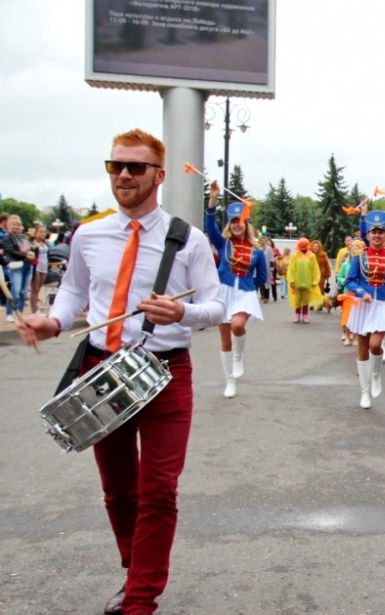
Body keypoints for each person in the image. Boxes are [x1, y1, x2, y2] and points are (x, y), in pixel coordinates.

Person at [16, 128, 223, 615]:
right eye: (116, 166)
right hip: (101, 372)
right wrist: (53, 321)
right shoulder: (88, 234)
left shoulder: (186, 239)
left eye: (135, 167)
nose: (124, 174)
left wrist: (183, 315)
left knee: (159, 489)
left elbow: (216, 305)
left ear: (159, 175)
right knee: (118, 488)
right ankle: (136, 571)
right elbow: (72, 293)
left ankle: (140, 601)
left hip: (164, 373)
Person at [204, 182, 268, 398]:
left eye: (240, 222)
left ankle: (239, 356)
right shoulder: (223, 244)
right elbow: (210, 225)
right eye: (233, 222)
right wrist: (213, 199)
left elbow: (262, 276)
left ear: (246, 224)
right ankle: (229, 380)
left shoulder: (257, 250)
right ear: (229, 225)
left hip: (245, 293)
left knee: (238, 325)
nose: (236, 226)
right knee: (224, 338)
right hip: (224, 291)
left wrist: (250, 287)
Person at [345, 211, 385, 408]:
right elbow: (350, 281)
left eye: (381, 232)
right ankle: (364, 392)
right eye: (373, 232)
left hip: (384, 305)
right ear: (368, 235)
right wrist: (363, 292)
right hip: (363, 304)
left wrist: (384, 292)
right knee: (362, 349)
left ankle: (376, 374)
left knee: (375, 345)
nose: (377, 236)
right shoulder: (359, 256)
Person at [1, 214, 33, 322]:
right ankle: (10, 313)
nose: (16, 227)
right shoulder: (5, 238)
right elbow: (10, 251)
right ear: (9, 226)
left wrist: (30, 251)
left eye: (18, 225)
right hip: (15, 265)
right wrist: (25, 255)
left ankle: (20, 313)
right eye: (14, 224)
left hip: (27, 265)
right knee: (16, 290)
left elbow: (30, 247)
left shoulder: (23, 236)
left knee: (24, 291)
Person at [286, 238, 322, 323]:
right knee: (297, 299)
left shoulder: (312, 256)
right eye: (301, 244)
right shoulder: (295, 256)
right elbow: (291, 268)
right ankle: (297, 315)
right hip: (297, 282)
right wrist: (291, 280)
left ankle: (305, 316)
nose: (303, 246)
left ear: (308, 245)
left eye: (305, 244)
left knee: (306, 300)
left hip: (307, 282)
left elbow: (315, 270)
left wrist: (315, 281)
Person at [28, 222, 50, 314]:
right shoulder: (33, 243)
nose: (42, 234)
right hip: (36, 267)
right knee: (35, 289)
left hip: (44, 267)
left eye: (44, 232)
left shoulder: (46, 243)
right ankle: (34, 310)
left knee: (39, 288)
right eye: (40, 232)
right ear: (36, 233)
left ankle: (36, 306)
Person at [311, 239, 332, 304]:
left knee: (320, 289)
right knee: (312, 289)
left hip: (321, 276)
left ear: (319, 247)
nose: (315, 247)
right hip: (311, 275)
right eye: (314, 246)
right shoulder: (309, 254)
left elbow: (327, 265)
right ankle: (312, 302)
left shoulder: (323, 255)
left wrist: (327, 274)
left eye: (317, 246)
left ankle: (320, 303)